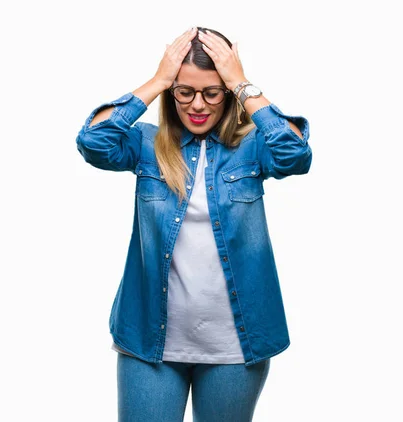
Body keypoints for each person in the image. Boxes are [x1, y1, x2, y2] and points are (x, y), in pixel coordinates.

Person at [75, 26, 313, 421]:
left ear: (227, 95)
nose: (197, 104)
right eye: (185, 91)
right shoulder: (147, 145)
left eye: (211, 92)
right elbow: (94, 141)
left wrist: (241, 83)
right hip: (149, 340)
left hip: (236, 346)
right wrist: (158, 80)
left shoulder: (252, 147)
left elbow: (295, 154)